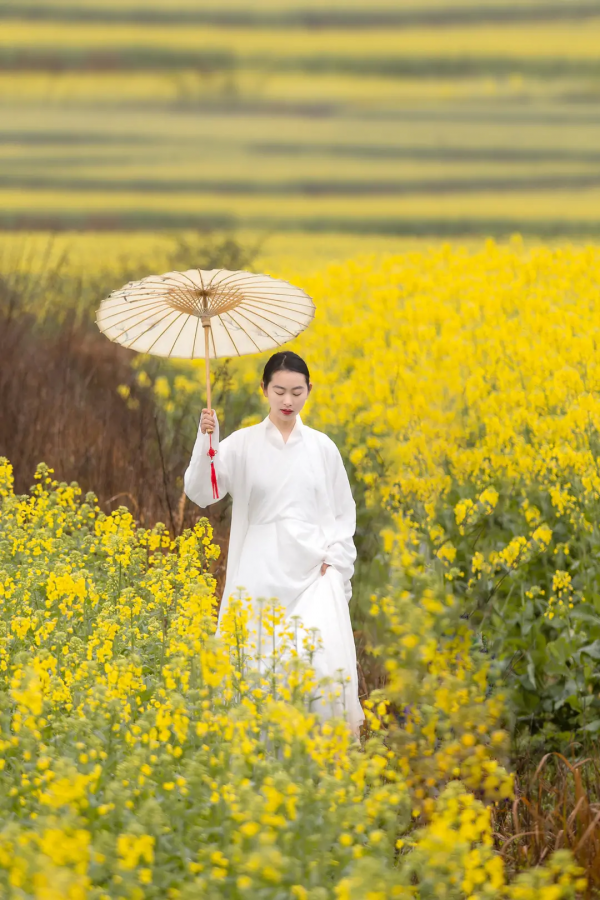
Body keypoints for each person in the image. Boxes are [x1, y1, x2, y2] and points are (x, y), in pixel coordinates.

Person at [184, 350, 364, 736]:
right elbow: (204, 490)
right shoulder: (243, 443)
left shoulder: (322, 448)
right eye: (279, 390)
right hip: (259, 573)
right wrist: (207, 439)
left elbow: (343, 516)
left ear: (309, 390)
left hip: (313, 574)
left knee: (319, 671)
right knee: (257, 670)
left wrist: (335, 563)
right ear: (263, 389)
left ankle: (315, 769)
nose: (287, 401)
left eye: (297, 392)